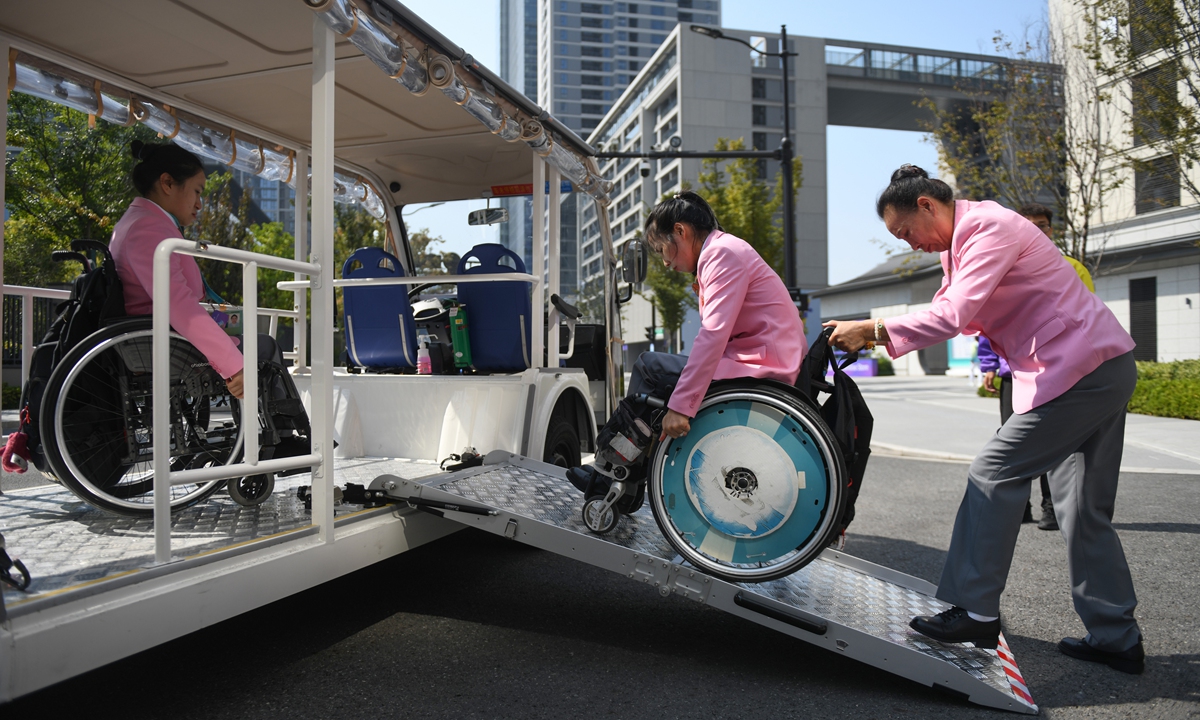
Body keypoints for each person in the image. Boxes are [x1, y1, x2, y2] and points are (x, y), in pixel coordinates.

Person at [826, 165, 1144, 674]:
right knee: (1081, 508)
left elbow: (952, 316)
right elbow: (958, 311)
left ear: (928, 205)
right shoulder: (963, 241)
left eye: (906, 231)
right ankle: (1116, 636)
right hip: (1095, 367)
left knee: (994, 471)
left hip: (1080, 371)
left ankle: (975, 611)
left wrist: (873, 327)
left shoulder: (989, 228)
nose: (910, 244)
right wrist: (875, 329)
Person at [566, 191, 807, 499]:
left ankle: (617, 481)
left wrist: (680, 407)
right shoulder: (724, 251)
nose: (665, 262)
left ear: (681, 231)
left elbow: (713, 334)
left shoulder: (722, 254)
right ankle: (622, 476)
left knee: (649, 368)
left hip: (761, 367)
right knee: (653, 384)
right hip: (762, 361)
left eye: (662, 249)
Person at [110, 140, 310, 455]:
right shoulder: (149, 230)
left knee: (256, 343)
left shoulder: (141, 223)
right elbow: (180, 307)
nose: (200, 203)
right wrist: (234, 365)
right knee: (266, 346)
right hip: (165, 345)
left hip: (157, 338)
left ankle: (276, 436)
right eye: (198, 191)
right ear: (167, 183)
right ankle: (280, 438)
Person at [980, 202, 1095, 531]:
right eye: (1027, 224)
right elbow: (987, 321)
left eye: (1041, 225)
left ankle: (1051, 506)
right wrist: (989, 363)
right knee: (1013, 443)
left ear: (1051, 229)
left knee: (1054, 442)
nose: (1035, 230)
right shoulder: (1001, 266)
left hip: (1054, 372)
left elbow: (1083, 320)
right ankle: (1019, 508)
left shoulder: (1072, 268)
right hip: (1012, 374)